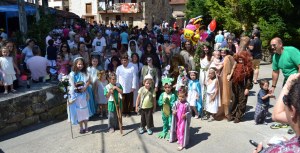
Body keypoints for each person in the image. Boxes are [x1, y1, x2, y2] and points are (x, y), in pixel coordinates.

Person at [253, 73, 300, 153]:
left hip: (265, 106)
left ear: (293, 111)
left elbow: (276, 116)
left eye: (285, 101)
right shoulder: (262, 92)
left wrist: (287, 84)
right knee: (259, 114)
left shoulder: (279, 150)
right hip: (261, 105)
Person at [229, 51, 253, 123]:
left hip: (243, 86)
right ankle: (232, 114)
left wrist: (247, 88)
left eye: (242, 59)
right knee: (234, 101)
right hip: (235, 85)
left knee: (242, 101)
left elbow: (249, 79)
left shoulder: (248, 68)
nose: (240, 60)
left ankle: (238, 116)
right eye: (239, 59)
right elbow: (232, 75)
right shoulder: (236, 65)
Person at [68, 57, 90, 134]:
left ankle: (86, 126)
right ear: (76, 64)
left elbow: (87, 81)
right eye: (79, 64)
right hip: (76, 95)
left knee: (84, 110)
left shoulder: (85, 73)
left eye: (82, 64)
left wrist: (84, 88)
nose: (80, 65)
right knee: (78, 112)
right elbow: (71, 83)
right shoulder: (72, 74)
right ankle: (81, 127)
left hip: (83, 94)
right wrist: (75, 88)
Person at [214, 48, 236, 121]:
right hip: (220, 78)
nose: (222, 54)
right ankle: (222, 110)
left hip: (224, 79)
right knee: (221, 94)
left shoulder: (227, 58)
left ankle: (226, 112)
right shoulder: (222, 58)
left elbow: (226, 68)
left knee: (225, 95)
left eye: (224, 52)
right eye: (221, 52)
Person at [170, 86, 191, 151]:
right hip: (177, 119)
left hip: (183, 121)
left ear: (186, 96)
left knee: (182, 130)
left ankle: (181, 144)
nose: (181, 98)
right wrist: (174, 111)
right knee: (178, 130)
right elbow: (173, 108)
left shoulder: (187, 104)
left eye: (182, 97)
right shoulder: (177, 103)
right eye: (179, 96)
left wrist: (186, 115)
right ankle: (179, 139)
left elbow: (189, 112)